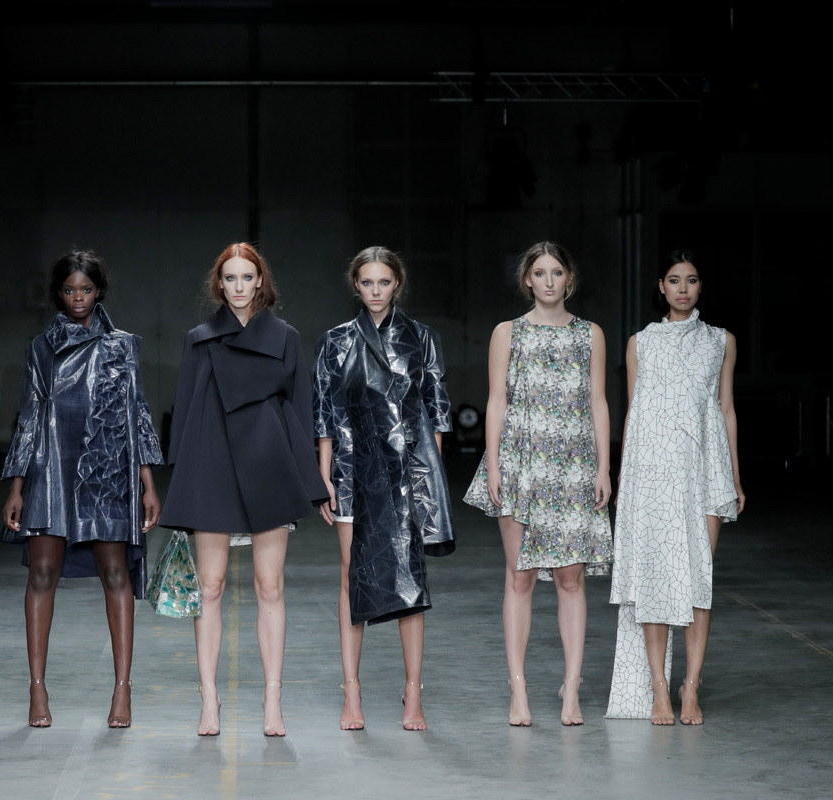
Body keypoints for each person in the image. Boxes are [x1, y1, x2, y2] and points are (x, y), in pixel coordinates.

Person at [159, 242, 327, 737]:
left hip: (268, 463)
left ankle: (273, 700)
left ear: (260, 282)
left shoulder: (285, 337)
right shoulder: (198, 340)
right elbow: (184, 412)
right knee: (209, 588)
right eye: (229, 278)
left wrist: (310, 480)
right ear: (219, 284)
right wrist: (181, 485)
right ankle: (209, 699)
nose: (238, 286)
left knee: (269, 586)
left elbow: (301, 409)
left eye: (246, 277)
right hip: (211, 464)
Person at [2, 251, 162, 729]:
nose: (78, 298)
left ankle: (122, 689)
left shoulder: (122, 346)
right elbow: (29, 415)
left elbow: (138, 412)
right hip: (50, 466)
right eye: (70, 290)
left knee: (115, 572)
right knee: (42, 573)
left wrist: (148, 482)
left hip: (107, 469)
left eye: (86, 289)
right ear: (59, 293)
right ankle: (37, 687)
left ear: (99, 291)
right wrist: (16, 486)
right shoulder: (41, 348)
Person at [463, 241, 612, 727]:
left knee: (570, 579)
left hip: (574, 466)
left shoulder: (590, 334)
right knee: (520, 576)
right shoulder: (507, 332)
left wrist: (604, 468)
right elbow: (497, 401)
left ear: (569, 278)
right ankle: (519, 689)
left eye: (557, 272)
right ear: (528, 279)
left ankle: (572, 688)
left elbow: (598, 402)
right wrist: (494, 466)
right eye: (540, 272)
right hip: (520, 462)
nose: (549, 281)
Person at [314, 246, 455, 732]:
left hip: (407, 472)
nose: (376, 291)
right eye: (367, 283)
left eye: (384, 282)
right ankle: (351, 690)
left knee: (410, 576)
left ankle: (413, 691)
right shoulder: (336, 340)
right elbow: (325, 413)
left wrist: (430, 480)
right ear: (356, 285)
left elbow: (436, 410)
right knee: (352, 573)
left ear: (398, 284)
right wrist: (324, 475)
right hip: (352, 469)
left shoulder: (422, 338)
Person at [606, 250, 745, 725]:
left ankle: (691, 687)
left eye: (691, 280)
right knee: (655, 579)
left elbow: (725, 408)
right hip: (653, 470)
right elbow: (635, 411)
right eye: (673, 280)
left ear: (700, 286)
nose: (683, 288)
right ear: (661, 287)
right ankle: (658, 690)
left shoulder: (721, 341)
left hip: (706, 469)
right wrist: (624, 477)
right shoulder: (640, 343)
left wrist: (735, 476)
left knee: (698, 582)